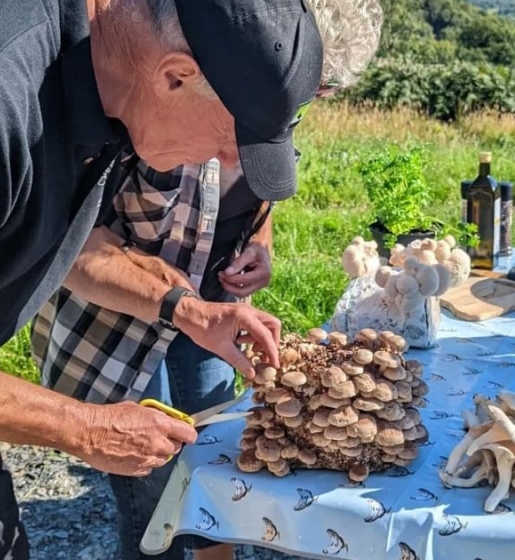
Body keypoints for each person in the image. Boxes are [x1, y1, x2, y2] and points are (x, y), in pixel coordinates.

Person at [0, 0, 324, 557]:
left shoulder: (110, 83)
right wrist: (83, 426)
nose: (224, 161)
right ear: (176, 75)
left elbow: (67, 246)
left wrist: (188, 310)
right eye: (230, 141)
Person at [31, 2, 383, 558]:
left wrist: (261, 245)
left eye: (322, 94)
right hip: (117, 326)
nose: (309, 106)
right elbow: (71, 250)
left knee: (218, 470)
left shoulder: (263, 95)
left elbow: (255, 191)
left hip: (213, 314)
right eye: (316, 89)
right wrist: (186, 307)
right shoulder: (159, 92)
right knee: (155, 488)